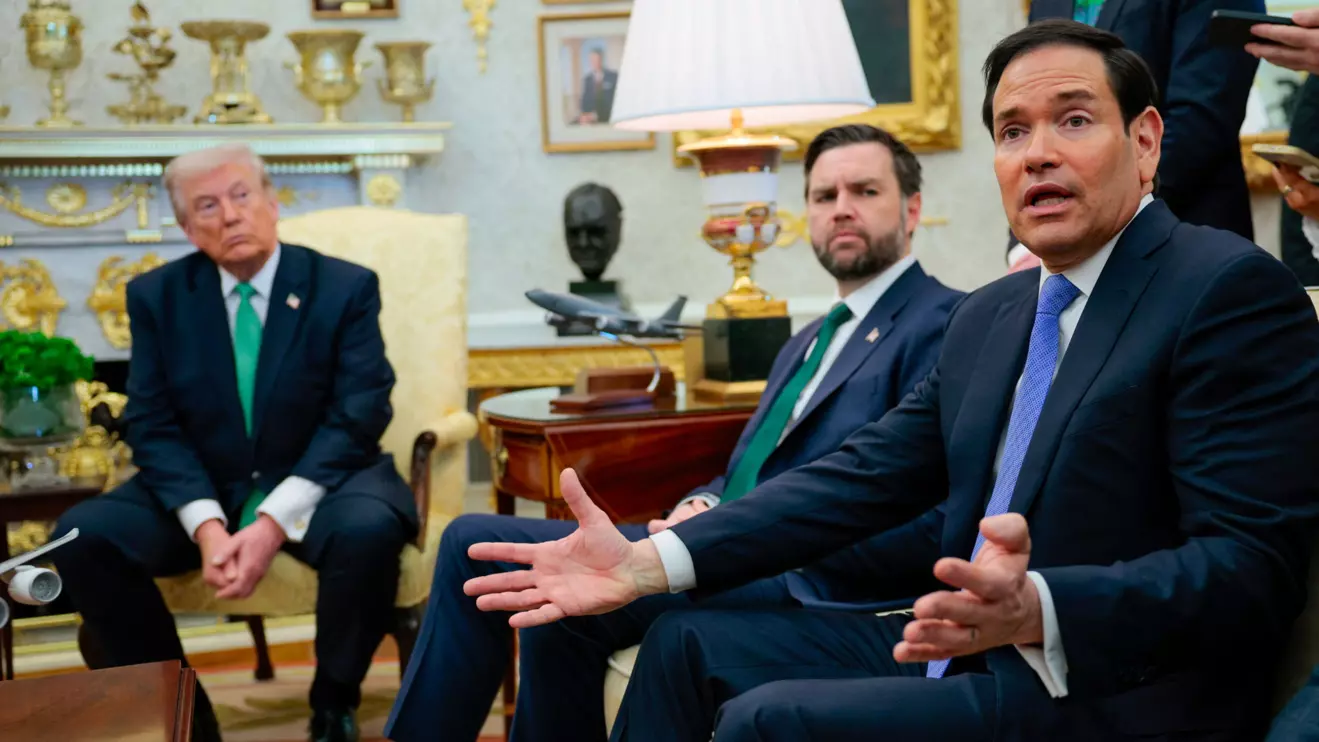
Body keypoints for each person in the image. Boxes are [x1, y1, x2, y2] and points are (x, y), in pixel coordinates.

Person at [464, 19, 1319, 742]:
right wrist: (649, 562)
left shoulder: (1223, 289)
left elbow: (1247, 569)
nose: (1037, 154)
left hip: (1107, 685)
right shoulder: (992, 315)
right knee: (686, 643)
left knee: (770, 719)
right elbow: (857, 479)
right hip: (964, 646)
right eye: (1012, 131)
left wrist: (1043, 606)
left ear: (1144, 142)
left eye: (1073, 120)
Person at [383, 123, 964, 742]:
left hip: (795, 570)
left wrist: (730, 533)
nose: (842, 208)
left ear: (912, 209)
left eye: (865, 191)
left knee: (506, 557)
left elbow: (911, 501)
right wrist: (706, 500)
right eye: (824, 196)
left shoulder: (945, 322)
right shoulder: (807, 338)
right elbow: (753, 465)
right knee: (490, 552)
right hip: (721, 539)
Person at [49, 143, 417, 742]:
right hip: (206, 481)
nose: (230, 215)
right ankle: (186, 718)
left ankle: (333, 708)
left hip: (323, 477)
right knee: (84, 538)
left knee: (369, 530)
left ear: (272, 203)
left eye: (242, 195)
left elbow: (360, 411)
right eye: (207, 206)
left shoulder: (343, 288)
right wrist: (207, 527)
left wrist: (272, 520)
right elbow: (152, 422)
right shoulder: (156, 298)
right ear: (190, 228)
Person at [1005, 0, 1262, 273]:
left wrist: (1101, 227)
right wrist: (1027, 247)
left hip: (1181, 249)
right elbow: (1029, 110)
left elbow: (1201, 117)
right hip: (1053, 264)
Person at [578, 49, 617, 124]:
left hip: (608, 119)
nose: (594, 63)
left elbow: (614, 100)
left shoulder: (613, 76)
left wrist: (597, 115)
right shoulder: (587, 79)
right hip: (591, 121)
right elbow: (584, 101)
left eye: (597, 59)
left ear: (601, 59)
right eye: (592, 60)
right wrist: (585, 115)